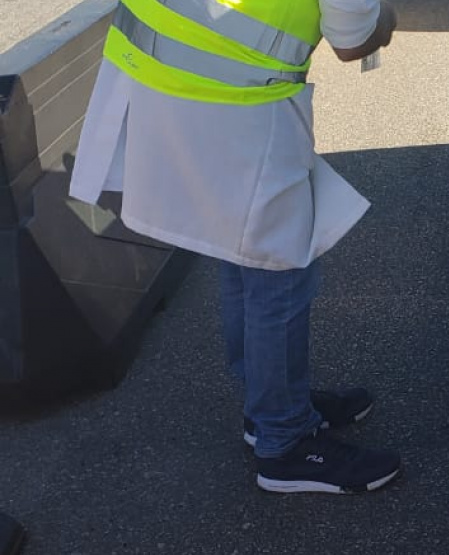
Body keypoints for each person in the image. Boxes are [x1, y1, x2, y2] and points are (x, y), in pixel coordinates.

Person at [68, 0, 401, 494]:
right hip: (238, 104)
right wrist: (386, 21)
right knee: (279, 269)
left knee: (241, 253)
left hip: (161, 80)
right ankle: (284, 442)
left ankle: (270, 407)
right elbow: (353, 41)